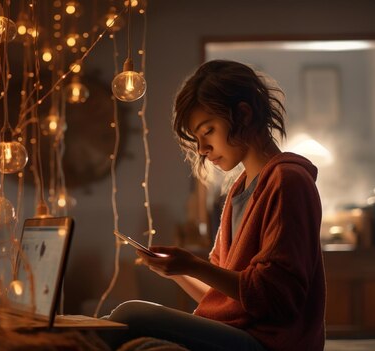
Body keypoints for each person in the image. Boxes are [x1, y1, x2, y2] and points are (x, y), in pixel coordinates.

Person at [104, 60, 326, 351]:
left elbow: (276, 298)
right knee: (117, 329)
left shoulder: (288, 180)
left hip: (271, 343)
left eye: (207, 131)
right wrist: (179, 271)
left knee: (129, 315)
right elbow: (222, 297)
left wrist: (193, 264)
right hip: (237, 333)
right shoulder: (239, 189)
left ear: (243, 114)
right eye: (197, 138)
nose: (201, 149)